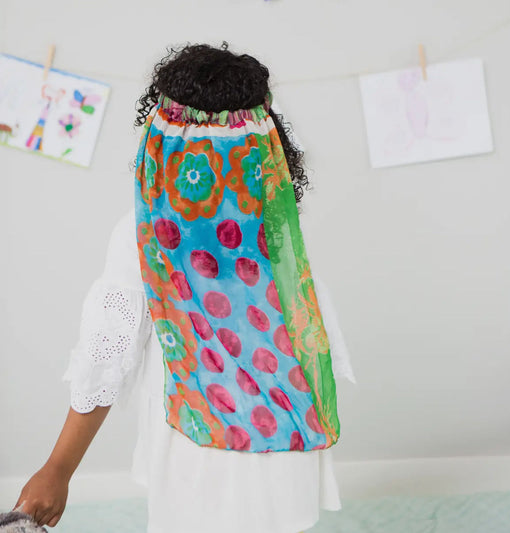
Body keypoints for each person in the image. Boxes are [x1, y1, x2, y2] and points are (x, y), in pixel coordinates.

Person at [13, 42, 356, 533]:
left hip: (199, 448)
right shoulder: (274, 223)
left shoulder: (145, 234)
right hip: (286, 434)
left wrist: (58, 469)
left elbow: (108, 354)